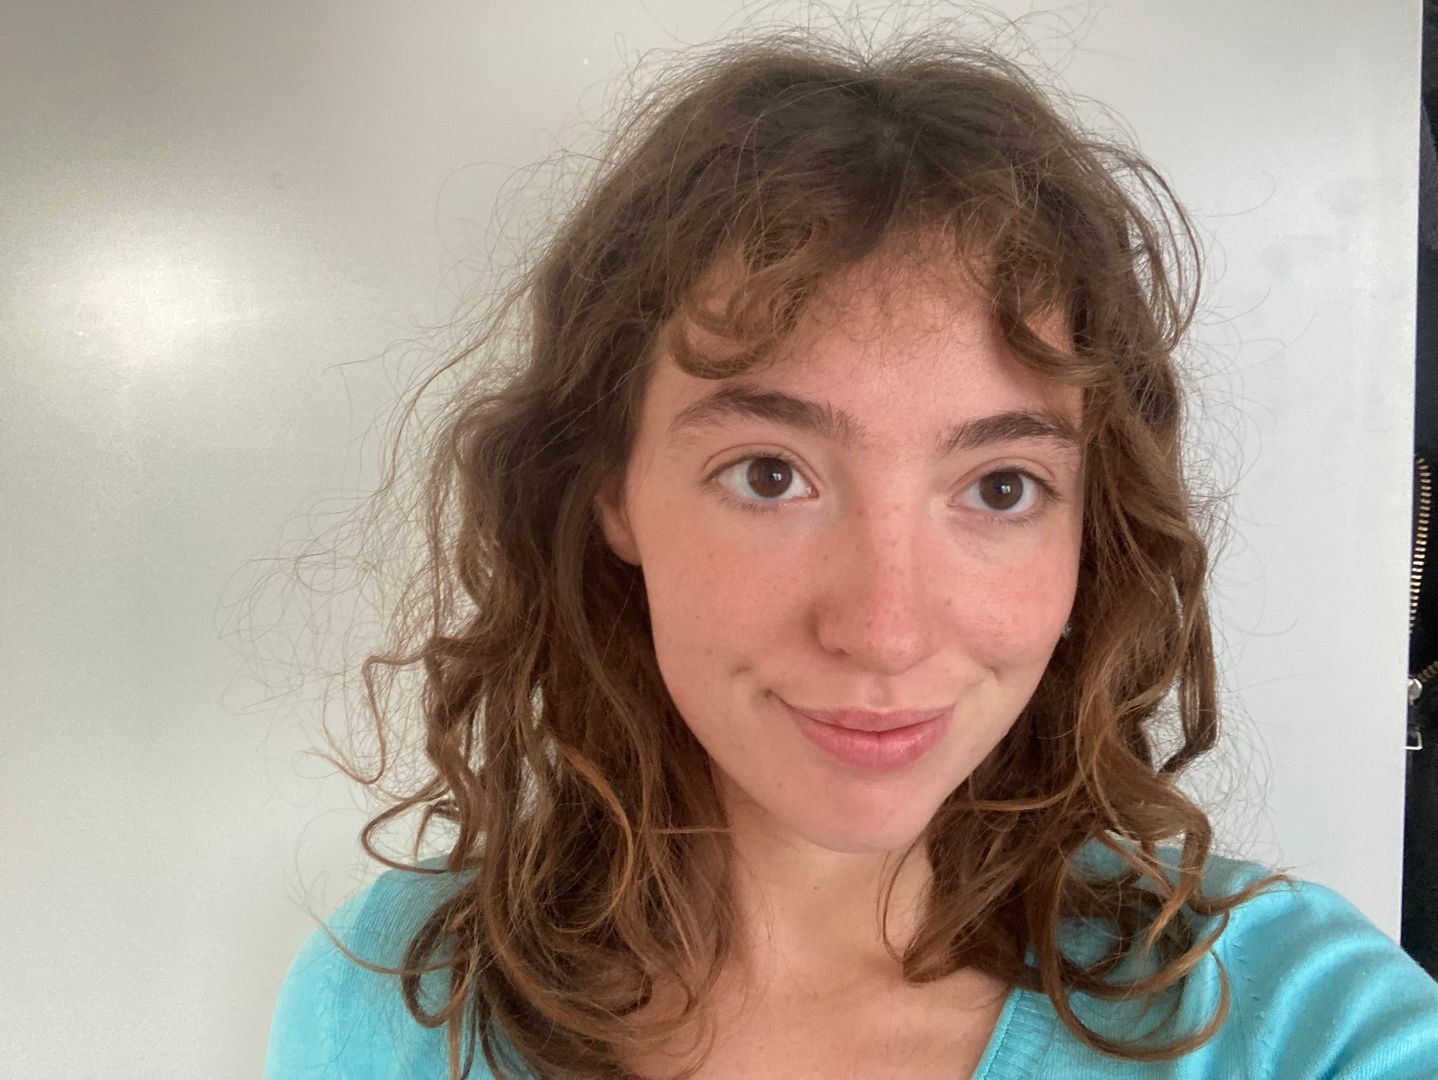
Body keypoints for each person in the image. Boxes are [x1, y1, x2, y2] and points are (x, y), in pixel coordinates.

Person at [263, 28, 1438, 1080]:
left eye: (1000, 487)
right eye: (770, 475)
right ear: (609, 488)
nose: (884, 632)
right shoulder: (394, 999)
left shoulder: (1298, 1025)